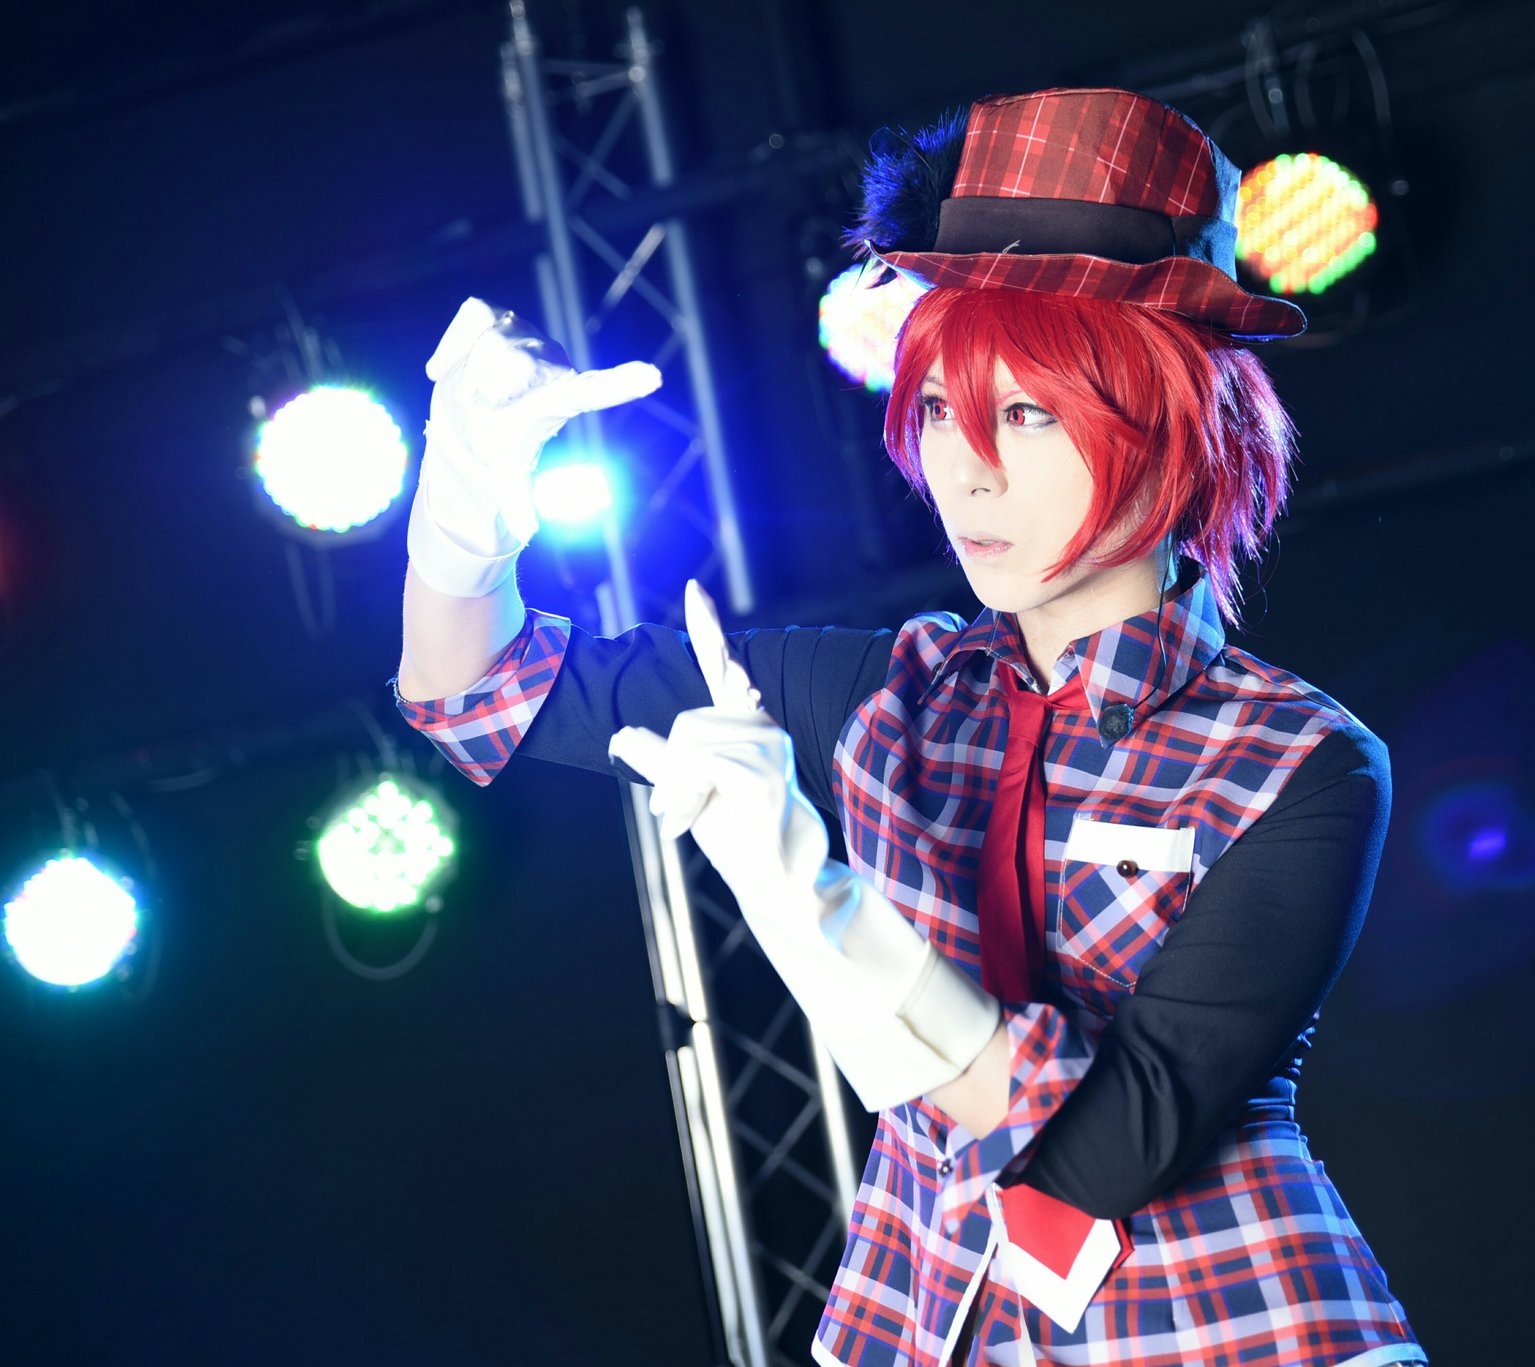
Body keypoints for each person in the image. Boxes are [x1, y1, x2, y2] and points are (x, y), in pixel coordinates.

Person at [395, 86, 1426, 1367]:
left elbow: (1107, 1154)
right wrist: (465, 491)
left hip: (1228, 1328)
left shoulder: (1296, 763)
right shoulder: (888, 698)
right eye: (939, 406)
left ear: (1174, 427)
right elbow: (476, 691)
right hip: (919, 1317)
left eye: (1028, 413)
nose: (967, 468)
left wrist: (815, 909)